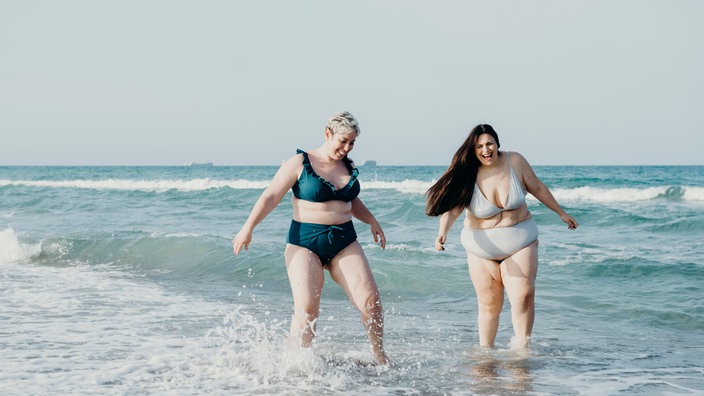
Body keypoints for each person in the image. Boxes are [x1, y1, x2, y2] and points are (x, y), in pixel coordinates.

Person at [232, 111, 390, 365]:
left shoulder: (346, 165)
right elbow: (271, 196)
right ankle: (295, 365)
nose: (347, 148)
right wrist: (248, 227)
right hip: (305, 242)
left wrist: (372, 220)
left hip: (344, 241)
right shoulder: (299, 162)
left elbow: (349, 199)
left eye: (352, 143)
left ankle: (381, 358)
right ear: (328, 134)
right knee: (307, 310)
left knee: (372, 303)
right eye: (343, 141)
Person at [425, 124, 578, 349]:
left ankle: (521, 352)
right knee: (489, 305)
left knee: (524, 295)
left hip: (521, 242)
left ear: (497, 143)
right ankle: (486, 357)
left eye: (489, 144)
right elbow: (453, 210)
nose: (486, 150)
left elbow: (537, 187)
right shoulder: (468, 173)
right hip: (481, 250)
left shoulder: (515, 161)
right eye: (479, 146)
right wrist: (442, 233)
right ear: (473, 149)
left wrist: (561, 213)